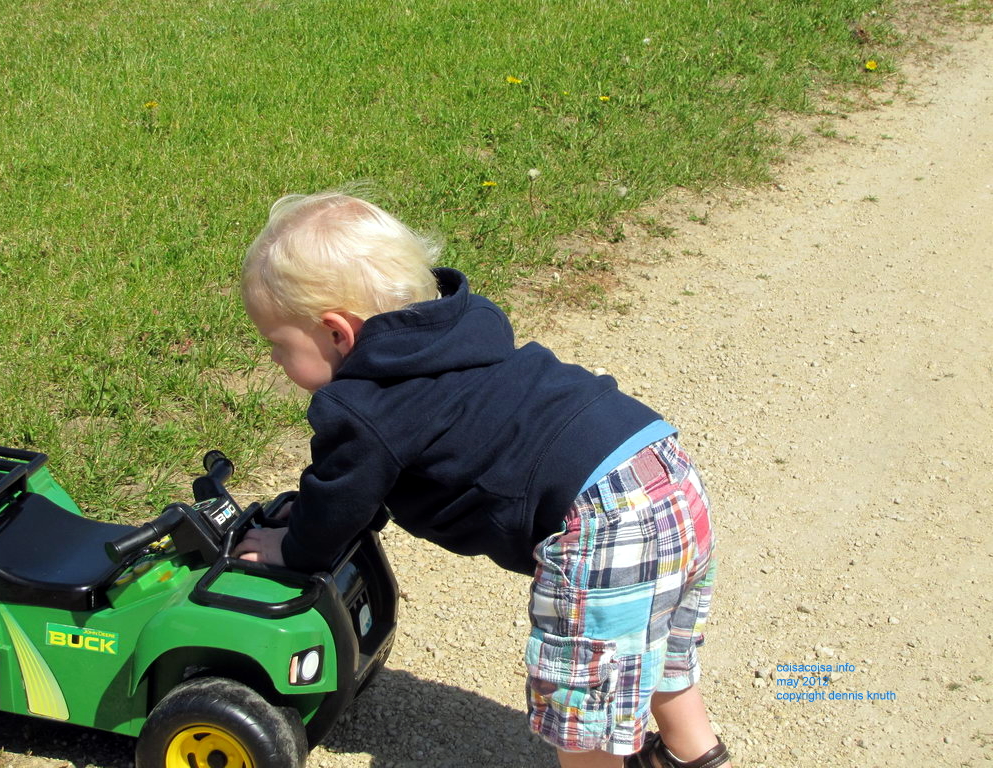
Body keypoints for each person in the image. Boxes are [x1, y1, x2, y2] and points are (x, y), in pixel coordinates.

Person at [233, 190, 731, 768]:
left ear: (338, 333)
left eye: (278, 345)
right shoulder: (465, 329)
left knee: (585, 711)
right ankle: (691, 752)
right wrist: (314, 506)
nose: (275, 360)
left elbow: (340, 503)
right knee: (657, 644)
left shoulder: (363, 405)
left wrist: (292, 546)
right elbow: (368, 480)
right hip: (663, 466)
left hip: (605, 520)